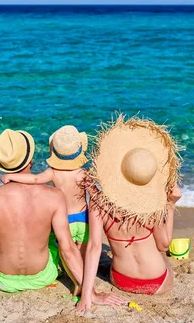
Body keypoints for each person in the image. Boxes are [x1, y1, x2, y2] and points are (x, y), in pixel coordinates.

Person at [0, 128, 124, 310]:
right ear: (30, 160)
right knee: (61, 242)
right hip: (43, 275)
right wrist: (91, 293)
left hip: (3, 281)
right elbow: (67, 249)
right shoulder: (54, 195)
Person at [76, 115, 183, 312]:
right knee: (163, 255)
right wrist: (169, 204)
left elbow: (93, 248)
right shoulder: (151, 205)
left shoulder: (98, 204)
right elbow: (164, 243)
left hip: (122, 281)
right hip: (157, 283)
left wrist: (86, 296)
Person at [1, 125, 90, 260]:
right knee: (82, 247)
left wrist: (11, 176)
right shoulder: (83, 173)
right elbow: (96, 194)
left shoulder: (53, 172)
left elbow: (35, 179)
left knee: (64, 248)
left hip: (65, 218)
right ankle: (82, 268)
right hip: (84, 217)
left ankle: (68, 269)